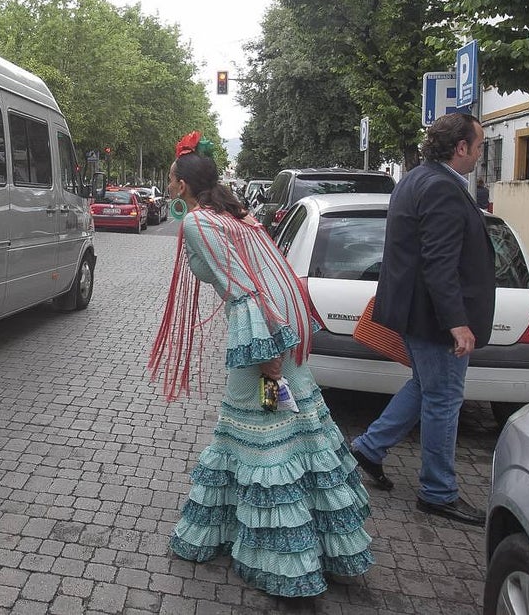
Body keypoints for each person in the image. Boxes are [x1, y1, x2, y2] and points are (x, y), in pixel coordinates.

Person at [149, 131, 373, 598]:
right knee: (295, 431)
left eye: (171, 178)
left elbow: (243, 288)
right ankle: (315, 545)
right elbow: (268, 275)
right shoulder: (237, 216)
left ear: (185, 185)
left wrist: (267, 357)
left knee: (266, 442)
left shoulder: (201, 224)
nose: (169, 185)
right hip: (277, 331)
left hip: (260, 342)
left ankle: (285, 563)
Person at [350, 112, 495, 526]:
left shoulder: (416, 178)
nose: (480, 154)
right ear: (461, 147)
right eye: (479, 146)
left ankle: (368, 449)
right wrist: (457, 322)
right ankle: (437, 491)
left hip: (418, 313)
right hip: (434, 319)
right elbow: (438, 262)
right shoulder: (442, 188)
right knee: (444, 399)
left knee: (427, 388)